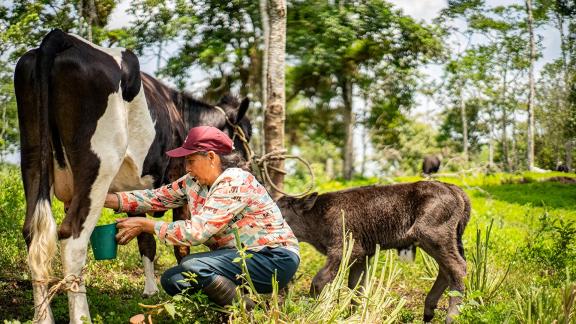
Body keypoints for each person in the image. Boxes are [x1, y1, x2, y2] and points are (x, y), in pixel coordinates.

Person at [103, 125, 300, 310]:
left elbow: (196, 232)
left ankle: (249, 315)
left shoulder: (235, 182)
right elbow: (155, 198)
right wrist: (99, 199)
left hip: (273, 259)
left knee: (192, 265)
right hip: (237, 259)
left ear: (212, 157)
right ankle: (237, 305)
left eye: (190, 161)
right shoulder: (193, 182)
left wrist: (146, 224)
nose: (187, 168)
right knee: (173, 279)